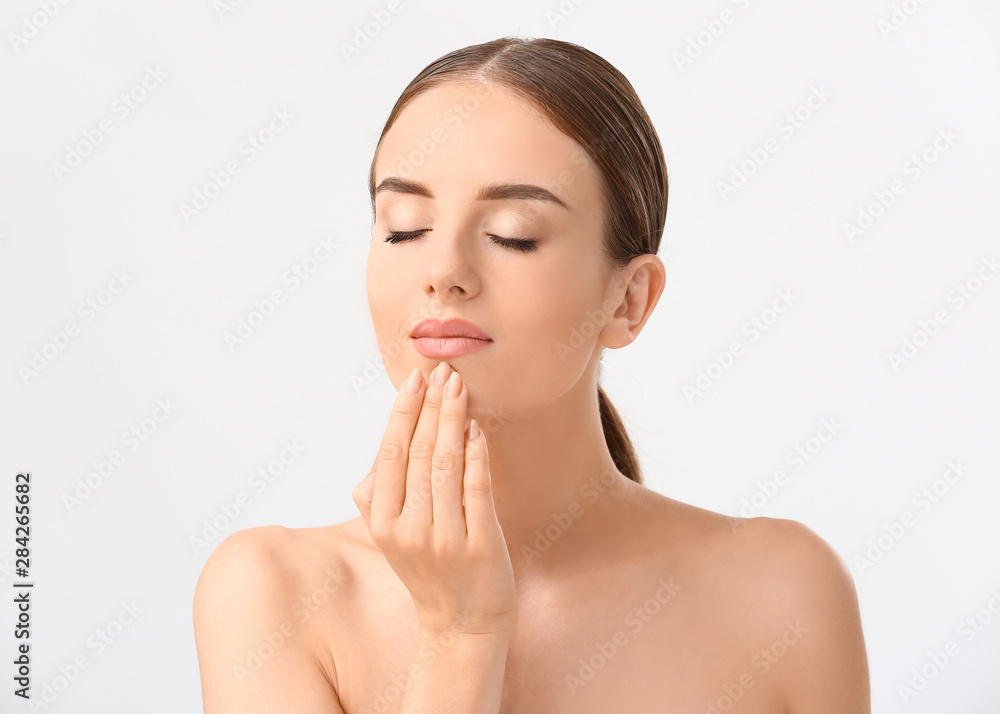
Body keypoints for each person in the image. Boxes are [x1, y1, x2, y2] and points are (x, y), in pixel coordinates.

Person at [193, 36, 870, 713]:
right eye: (403, 228)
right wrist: (459, 634)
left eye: (513, 234)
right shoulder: (270, 595)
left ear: (628, 300)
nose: (443, 273)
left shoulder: (784, 593)